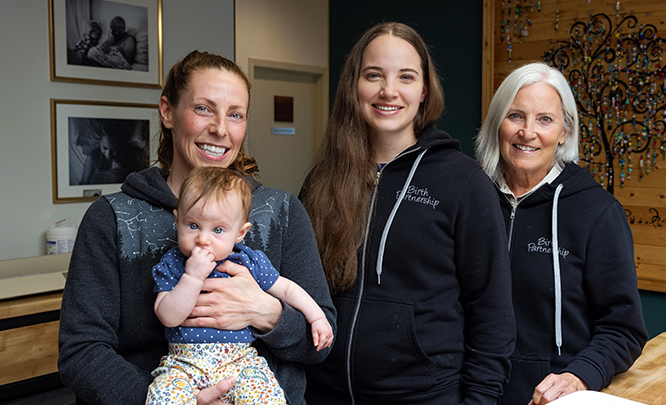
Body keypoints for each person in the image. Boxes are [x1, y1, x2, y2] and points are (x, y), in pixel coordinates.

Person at [58, 50, 336, 405]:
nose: (220, 129)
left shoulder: (282, 211)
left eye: (235, 115)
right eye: (204, 108)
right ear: (167, 112)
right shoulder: (111, 216)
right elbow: (81, 352)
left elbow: (320, 341)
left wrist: (266, 313)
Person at [299, 22, 515, 404]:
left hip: (423, 396)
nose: (388, 90)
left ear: (424, 90)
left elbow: (492, 315)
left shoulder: (464, 183)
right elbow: (299, 287)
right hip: (322, 393)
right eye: (374, 75)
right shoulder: (323, 179)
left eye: (406, 77)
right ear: (355, 86)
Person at [474, 62, 648, 405]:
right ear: (497, 123)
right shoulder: (468, 198)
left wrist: (579, 375)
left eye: (545, 119)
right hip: (469, 391)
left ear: (564, 131)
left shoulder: (597, 212)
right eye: (515, 116)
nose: (528, 132)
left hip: (547, 397)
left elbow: (624, 329)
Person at [147, 167, 333, 404]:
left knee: (269, 398)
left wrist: (316, 316)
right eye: (193, 225)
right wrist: (191, 279)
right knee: (161, 396)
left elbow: (287, 289)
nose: (203, 239)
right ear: (177, 220)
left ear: (240, 233)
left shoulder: (247, 261)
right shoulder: (173, 263)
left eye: (218, 230)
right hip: (184, 365)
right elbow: (168, 316)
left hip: (239, 362)